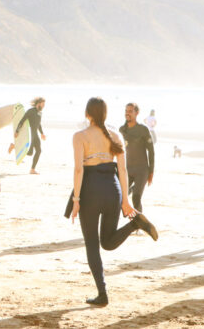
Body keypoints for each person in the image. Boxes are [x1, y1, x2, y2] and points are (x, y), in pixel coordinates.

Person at [67, 97, 158, 306]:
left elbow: (79, 169)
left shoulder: (80, 136)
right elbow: (123, 170)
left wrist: (76, 199)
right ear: (105, 114)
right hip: (112, 189)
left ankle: (102, 294)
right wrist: (125, 200)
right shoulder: (115, 135)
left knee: (93, 244)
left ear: (87, 114)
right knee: (107, 242)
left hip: (91, 190)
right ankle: (135, 223)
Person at [119, 103, 155, 213]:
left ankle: (138, 224)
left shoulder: (143, 129)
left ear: (136, 113)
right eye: (126, 111)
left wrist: (151, 171)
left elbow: (151, 151)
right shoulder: (122, 130)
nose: (127, 113)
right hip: (127, 169)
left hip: (142, 170)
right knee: (120, 196)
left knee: (136, 198)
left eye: (130, 111)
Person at [14, 97, 47, 174]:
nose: (43, 106)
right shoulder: (30, 111)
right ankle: (13, 146)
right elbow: (22, 120)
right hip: (30, 134)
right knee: (29, 152)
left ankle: (32, 169)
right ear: (38, 104)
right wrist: (17, 130)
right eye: (43, 104)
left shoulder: (39, 113)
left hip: (35, 134)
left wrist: (42, 133)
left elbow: (38, 124)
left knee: (38, 151)